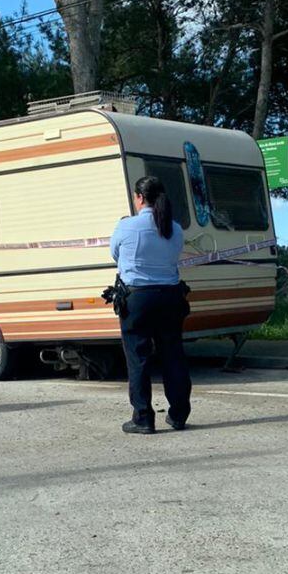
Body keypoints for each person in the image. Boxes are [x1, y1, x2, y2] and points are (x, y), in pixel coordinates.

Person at [109, 176, 192, 434]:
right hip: (170, 296)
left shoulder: (126, 226)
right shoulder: (175, 228)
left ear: (140, 198)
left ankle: (143, 417)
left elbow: (115, 254)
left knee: (139, 358)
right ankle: (178, 415)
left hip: (138, 299)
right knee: (173, 355)